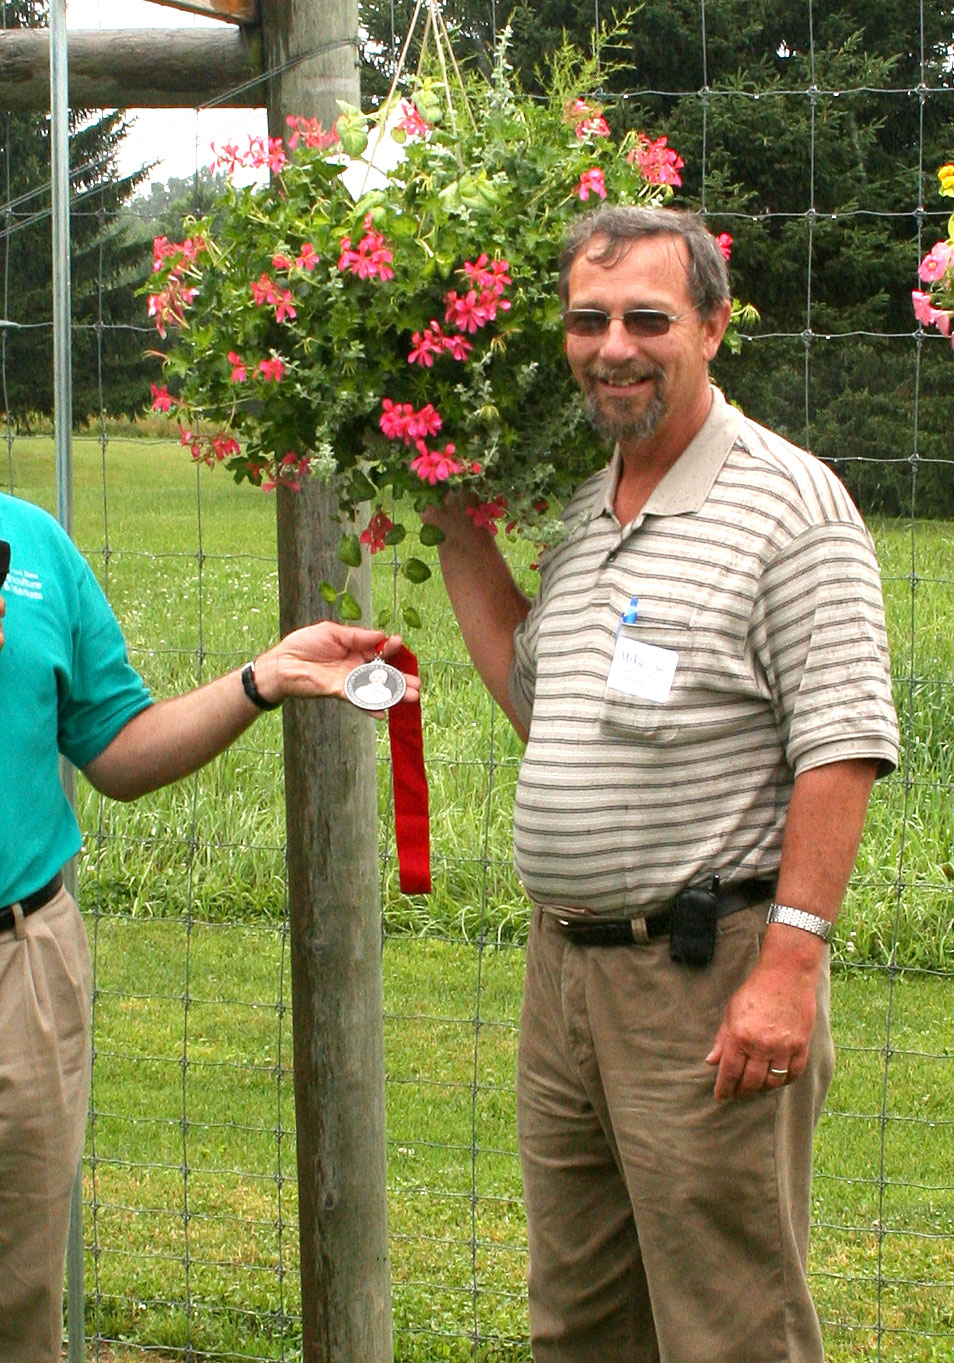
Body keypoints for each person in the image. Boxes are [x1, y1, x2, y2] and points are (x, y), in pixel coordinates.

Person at [428, 205, 899, 1362]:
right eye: (587, 321)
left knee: (729, 1323)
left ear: (714, 327)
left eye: (648, 318)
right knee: (581, 1318)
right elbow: (542, 703)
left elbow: (841, 745)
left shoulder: (790, 506)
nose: (613, 347)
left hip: (706, 976)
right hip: (568, 977)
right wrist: (456, 524)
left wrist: (788, 969)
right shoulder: (588, 513)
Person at [0, 487, 419, 1363]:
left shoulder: (31, 543)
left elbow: (118, 748)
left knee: (16, 1302)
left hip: (22, 967)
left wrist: (263, 679)